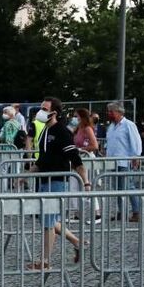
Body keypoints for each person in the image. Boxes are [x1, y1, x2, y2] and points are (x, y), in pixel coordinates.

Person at [27, 97, 91, 270]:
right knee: (48, 220)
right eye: (41, 107)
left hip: (56, 182)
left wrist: (86, 182)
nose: (40, 111)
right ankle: (78, 242)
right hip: (43, 181)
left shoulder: (62, 132)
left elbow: (76, 159)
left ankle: (45, 262)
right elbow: (42, 159)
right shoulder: (44, 131)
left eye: (44, 108)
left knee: (48, 223)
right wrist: (25, 175)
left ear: (54, 113)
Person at [105, 102, 142, 223]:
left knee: (128, 187)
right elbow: (110, 141)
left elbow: (135, 141)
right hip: (113, 161)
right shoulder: (111, 126)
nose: (109, 113)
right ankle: (122, 211)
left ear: (119, 112)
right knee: (118, 188)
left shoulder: (128, 125)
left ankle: (136, 212)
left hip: (124, 161)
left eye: (111, 111)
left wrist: (136, 156)